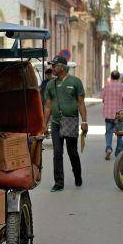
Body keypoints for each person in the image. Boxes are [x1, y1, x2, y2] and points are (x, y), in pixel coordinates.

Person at [43, 55, 88, 192]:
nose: (52, 68)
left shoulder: (75, 82)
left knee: (72, 152)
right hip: (56, 123)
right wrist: (45, 124)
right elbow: (48, 106)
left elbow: (81, 103)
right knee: (57, 152)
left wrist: (84, 121)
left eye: (54, 66)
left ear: (61, 67)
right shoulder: (51, 84)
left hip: (71, 121)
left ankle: (77, 175)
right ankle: (59, 183)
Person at [101, 70, 123, 160]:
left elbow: (103, 98)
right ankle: (118, 153)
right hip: (119, 115)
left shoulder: (107, 85)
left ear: (111, 77)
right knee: (119, 134)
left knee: (108, 132)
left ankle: (108, 148)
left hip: (108, 114)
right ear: (119, 77)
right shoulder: (122, 86)